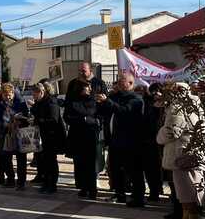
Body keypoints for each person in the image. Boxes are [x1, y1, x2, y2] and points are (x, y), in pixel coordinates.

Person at [158, 82, 205, 219]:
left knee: (186, 190)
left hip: (181, 154)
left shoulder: (177, 107)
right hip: (190, 153)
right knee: (186, 189)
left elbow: (171, 131)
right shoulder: (196, 104)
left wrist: (158, 137)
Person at [97, 72, 146, 206]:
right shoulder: (115, 96)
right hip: (115, 140)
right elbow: (105, 111)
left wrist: (108, 101)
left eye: (122, 80)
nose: (118, 82)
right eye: (118, 80)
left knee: (134, 170)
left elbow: (124, 111)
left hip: (131, 142)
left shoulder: (136, 99)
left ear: (130, 83)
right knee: (115, 169)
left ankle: (138, 197)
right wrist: (101, 102)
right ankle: (119, 194)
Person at [64, 81, 102, 199]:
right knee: (79, 164)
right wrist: (82, 119)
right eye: (86, 88)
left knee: (90, 164)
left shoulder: (94, 101)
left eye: (90, 88)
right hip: (77, 136)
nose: (89, 90)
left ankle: (92, 189)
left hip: (90, 136)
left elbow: (98, 118)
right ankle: (83, 187)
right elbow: (67, 117)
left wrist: (88, 120)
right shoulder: (73, 102)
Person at [31, 82, 64, 194]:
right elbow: (35, 112)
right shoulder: (40, 102)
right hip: (42, 136)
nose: (33, 96)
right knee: (43, 161)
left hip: (51, 136)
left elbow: (54, 120)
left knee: (51, 161)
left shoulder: (51, 102)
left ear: (41, 92)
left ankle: (52, 184)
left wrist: (40, 121)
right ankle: (45, 182)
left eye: (35, 94)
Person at [0, 82, 28, 188]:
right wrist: (5, 124)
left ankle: (21, 182)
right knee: (5, 157)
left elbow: (26, 115)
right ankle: (10, 179)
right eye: (5, 95)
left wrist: (19, 120)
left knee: (21, 158)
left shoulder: (20, 101)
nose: (7, 98)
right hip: (6, 133)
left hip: (19, 133)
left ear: (13, 93)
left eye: (9, 95)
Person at [141, 83, 166, 202]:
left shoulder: (168, 105)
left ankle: (161, 189)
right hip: (150, 141)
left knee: (165, 169)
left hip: (165, 142)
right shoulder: (147, 104)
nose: (156, 93)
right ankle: (154, 191)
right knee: (151, 168)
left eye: (158, 91)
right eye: (154, 91)